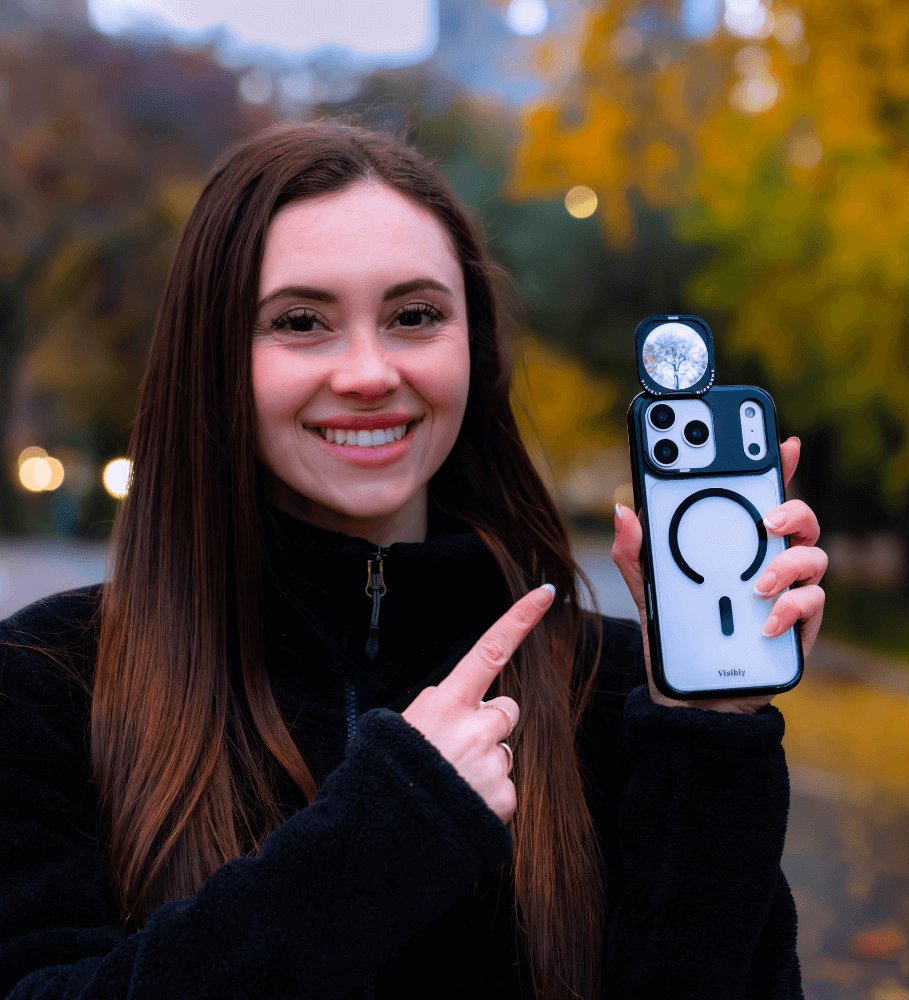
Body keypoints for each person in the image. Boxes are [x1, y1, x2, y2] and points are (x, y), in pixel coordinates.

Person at [0, 119, 827, 1000]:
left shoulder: (620, 690)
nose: (368, 371)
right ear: (214, 357)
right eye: (302, 321)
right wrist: (390, 830)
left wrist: (714, 739)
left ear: (473, 345)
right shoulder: (49, 680)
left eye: (415, 316)